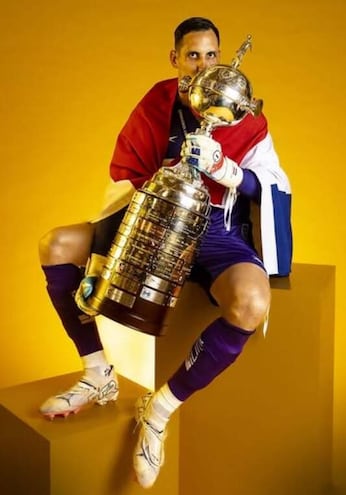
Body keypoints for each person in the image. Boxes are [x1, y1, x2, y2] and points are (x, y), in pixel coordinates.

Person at [39, 16, 292, 488]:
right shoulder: (157, 101)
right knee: (55, 245)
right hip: (151, 213)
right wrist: (168, 178)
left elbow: (272, 183)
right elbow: (125, 172)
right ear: (175, 58)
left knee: (251, 303)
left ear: (223, 56)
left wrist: (227, 171)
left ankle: (159, 410)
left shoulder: (243, 110)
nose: (203, 64)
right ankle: (97, 373)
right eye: (193, 55)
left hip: (213, 223)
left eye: (211, 54)